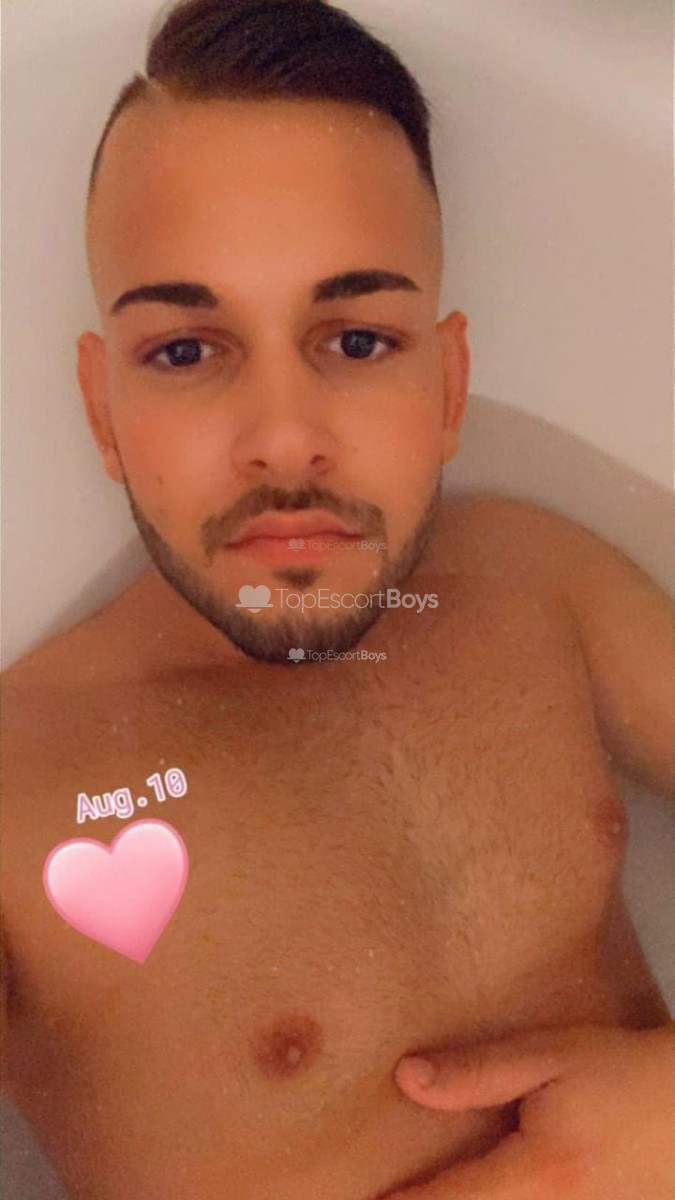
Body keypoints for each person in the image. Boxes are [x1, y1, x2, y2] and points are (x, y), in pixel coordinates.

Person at [1, 1, 673, 1197]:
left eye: (357, 342)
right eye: (186, 351)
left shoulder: (536, 581)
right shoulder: (20, 784)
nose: (284, 437)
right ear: (103, 412)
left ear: (450, 386)